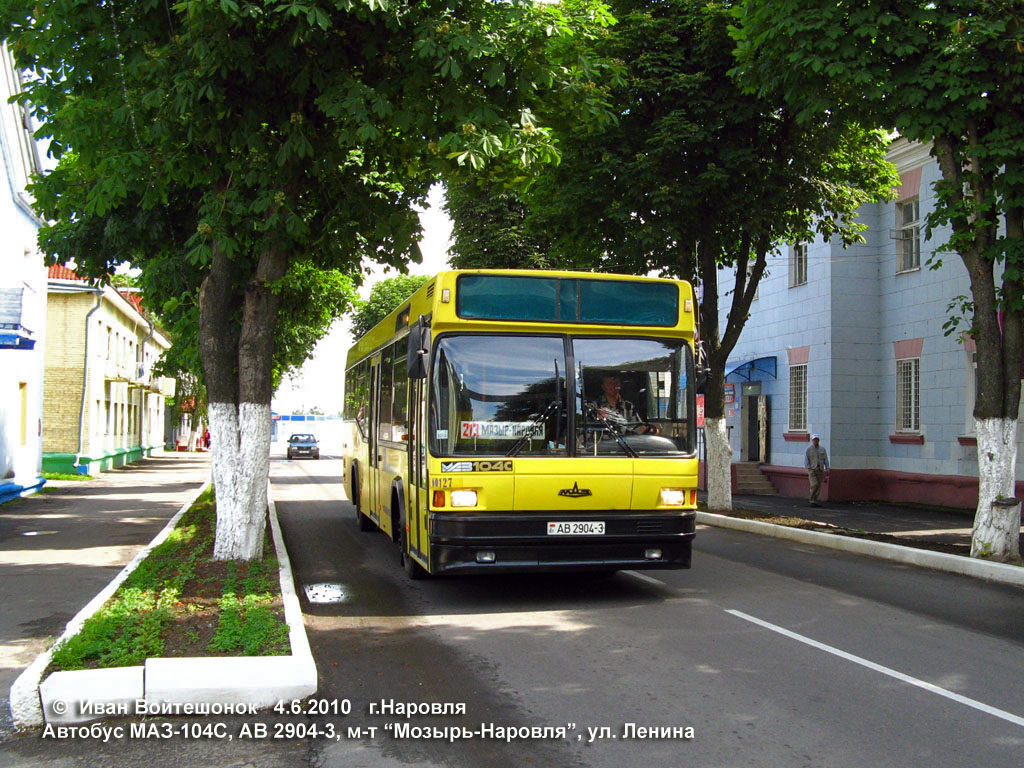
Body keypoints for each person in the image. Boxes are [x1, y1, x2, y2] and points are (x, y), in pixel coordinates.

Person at [804, 433, 829, 506]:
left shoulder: (822, 449)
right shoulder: (808, 449)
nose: (816, 441)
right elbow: (806, 459)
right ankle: (811, 499)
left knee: (818, 486)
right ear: (812, 440)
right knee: (814, 484)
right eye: (814, 439)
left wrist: (827, 467)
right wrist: (808, 467)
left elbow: (825, 459)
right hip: (812, 469)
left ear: (819, 440)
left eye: (817, 439)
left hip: (820, 469)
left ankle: (815, 500)